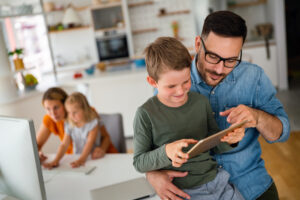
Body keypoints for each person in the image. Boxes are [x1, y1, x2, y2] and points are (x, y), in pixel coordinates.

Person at [146, 11, 290, 200]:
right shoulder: (172, 83)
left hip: (251, 185)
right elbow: (150, 148)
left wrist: (257, 117)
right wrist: (152, 175)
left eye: (231, 60)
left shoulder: (254, 78)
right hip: (195, 192)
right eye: (213, 57)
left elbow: (281, 132)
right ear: (198, 44)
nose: (219, 69)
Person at [133, 37, 245, 200]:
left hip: (218, 181)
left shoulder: (200, 102)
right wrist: (166, 152)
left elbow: (215, 143)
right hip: (184, 193)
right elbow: (139, 162)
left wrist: (231, 139)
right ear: (152, 82)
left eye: (186, 81)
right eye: (171, 86)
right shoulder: (145, 114)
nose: (180, 91)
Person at [36, 87, 118, 163]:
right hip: (76, 158)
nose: (53, 113)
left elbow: (106, 137)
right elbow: (37, 144)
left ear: (65, 104)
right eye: (48, 109)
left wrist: (102, 149)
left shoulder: (87, 112)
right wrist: (37, 154)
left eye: (56, 107)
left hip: (101, 156)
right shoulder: (50, 119)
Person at [43, 92, 104, 168]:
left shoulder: (93, 123)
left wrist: (81, 159)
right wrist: (56, 160)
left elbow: (89, 143)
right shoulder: (70, 124)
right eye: (69, 112)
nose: (71, 116)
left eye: (75, 112)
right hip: (77, 156)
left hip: (93, 157)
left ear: (85, 109)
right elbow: (64, 144)